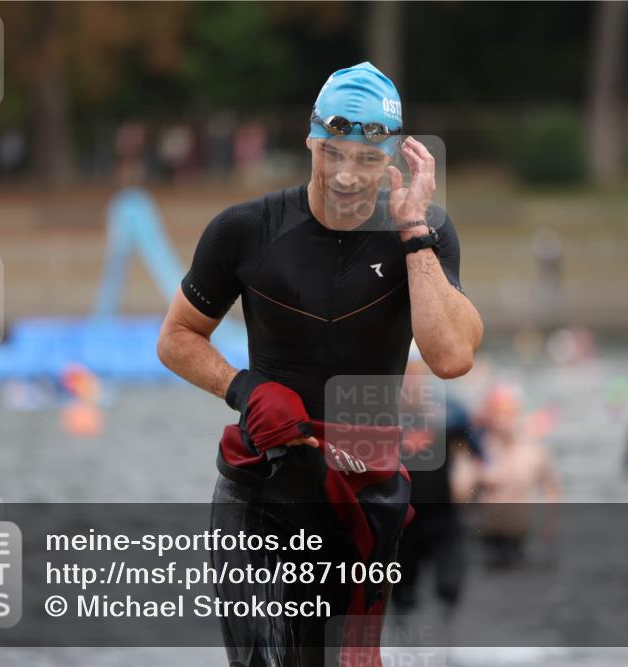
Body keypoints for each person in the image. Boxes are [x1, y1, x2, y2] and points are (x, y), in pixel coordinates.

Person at [157, 62, 483, 666]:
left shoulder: (425, 232)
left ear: (393, 155)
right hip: (261, 483)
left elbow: (452, 356)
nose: (347, 175)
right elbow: (176, 336)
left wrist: (412, 228)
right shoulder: (246, 230)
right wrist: (244, 388)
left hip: (362, 492)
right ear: (310, 139)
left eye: (366, 158)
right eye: (332, 153)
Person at [392, 346, 482, 620]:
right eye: (404, 376)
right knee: (402, 590)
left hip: (442, 512)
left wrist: (466, 473)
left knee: (449, 584)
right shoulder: (380, 414)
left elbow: (472, 453)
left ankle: (448, 635)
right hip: (401, 517)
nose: (411, 382)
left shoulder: (450, 412)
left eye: (416, 375)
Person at [475, 383, 561, 569]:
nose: (501, 420)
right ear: (488, 416)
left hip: (521, 534)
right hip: (487, 536)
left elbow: (552, 489)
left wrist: (550, 523)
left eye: (507, 413)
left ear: (517, 415)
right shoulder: (477, 448)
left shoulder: (535, 451)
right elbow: (459, 493)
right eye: (496, 413)